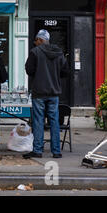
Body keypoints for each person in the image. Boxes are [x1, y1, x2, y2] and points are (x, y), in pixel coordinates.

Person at [23, 29, 68, 159]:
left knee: (38, 121)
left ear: (41, 40)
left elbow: (29, 70)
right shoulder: (59, 53)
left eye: (36, 40)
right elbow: (65, 72)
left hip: (39, 92)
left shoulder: (35, 52)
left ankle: (37, 150)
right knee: (54, 121)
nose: (34, 43)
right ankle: (56, 151)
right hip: (54, 92)